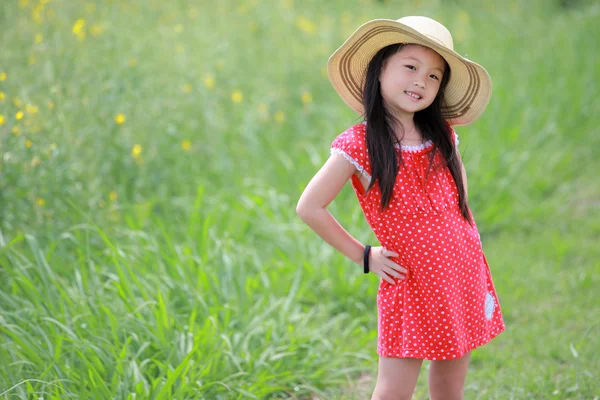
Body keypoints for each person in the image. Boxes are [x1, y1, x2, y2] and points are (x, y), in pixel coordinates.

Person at [296, 16, 506, 400]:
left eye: (434, 76)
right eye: (410, 66)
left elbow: (459, 200)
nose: (420, 82)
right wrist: (364, 256)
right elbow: (310, 207)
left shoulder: (441, 133)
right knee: (394, 389)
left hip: (459, 273)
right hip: (410, 283)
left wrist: (464, 248)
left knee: (450, 385)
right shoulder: (359, 143)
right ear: (379, 70)